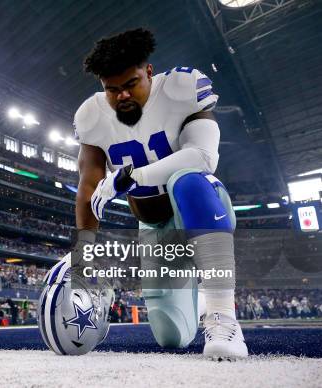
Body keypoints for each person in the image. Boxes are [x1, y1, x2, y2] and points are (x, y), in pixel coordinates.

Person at [66, 28, 246, 359]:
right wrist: (84, 256)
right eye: (112, 89)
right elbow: (88, 185)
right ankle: (200, 298)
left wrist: (133, 176)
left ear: (149, 72)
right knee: (171, 337)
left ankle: (223, 315)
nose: (122, 96)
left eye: (131, 84)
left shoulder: (180, 89)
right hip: (154, 229)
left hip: (201, 207)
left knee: (187, 180)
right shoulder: (91, 117)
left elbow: (203, 156)